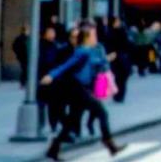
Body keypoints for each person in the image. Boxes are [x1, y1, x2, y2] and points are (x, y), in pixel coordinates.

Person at [40, 25, 126, 160]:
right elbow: (66, 65)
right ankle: (109, 143)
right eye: (93, 35)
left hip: (83, 89)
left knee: (71, 122)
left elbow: (97, 63)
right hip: (78, 88)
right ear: (87, 38)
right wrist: (51, 75)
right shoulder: (82, 51)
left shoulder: (91, 50)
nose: (96, 38)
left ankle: (53, 149)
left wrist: (106, 59)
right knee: (102, 112)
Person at [107, 17, 133, 102]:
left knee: (119, 77)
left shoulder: (112, 32)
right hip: (119, 57)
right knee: (120, 77)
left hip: (117, 57)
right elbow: (127, 44)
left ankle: (118, 94)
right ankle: (119, 94)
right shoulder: (117, 32)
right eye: (117, 21)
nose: (119, 23)